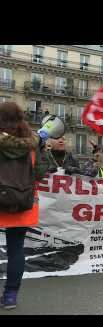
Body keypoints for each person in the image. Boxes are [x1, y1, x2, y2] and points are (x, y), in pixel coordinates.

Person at [0, 102, 49, 309]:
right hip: (23, 200)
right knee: (16, 250)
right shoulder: (33, 142)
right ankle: (10, 296)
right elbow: (40, 173)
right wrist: (42, 148)